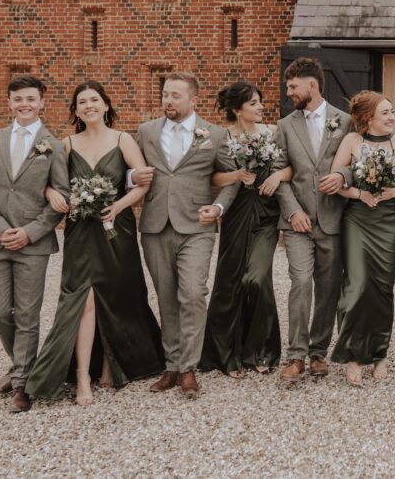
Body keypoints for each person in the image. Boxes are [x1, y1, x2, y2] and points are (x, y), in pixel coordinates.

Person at [27, 81, 164, 404]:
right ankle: (81, 376)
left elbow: (143, 180)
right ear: (75, 111)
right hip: (81, 230)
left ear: (105, 105)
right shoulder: (66, 145)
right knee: (83, 298)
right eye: (81, 102)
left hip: (117, 227)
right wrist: (52, 194)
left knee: (113, 295)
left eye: (94, 99)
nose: (88, 105)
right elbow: (48, 182)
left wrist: (118, 205)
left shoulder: (123, 139)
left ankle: (109, 365)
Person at [131, 72, 241, 398]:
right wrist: (131, 175)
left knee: (192, 293)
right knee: (167, 297)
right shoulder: (146, 131)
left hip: (198, 225)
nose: (168, 100)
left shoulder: (215, 134)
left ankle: (189, 368)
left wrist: (218, 209)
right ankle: (172, 365)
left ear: (194, 100)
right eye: (166, 94)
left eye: (176, 95)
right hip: (155, 225)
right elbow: (131, 169)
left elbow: (231, 179)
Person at [0, 75, 69, 413]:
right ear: (9, 102)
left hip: (33, 244)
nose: (24, 105)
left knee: (28, 315)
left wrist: (30, 231)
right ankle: (21, 364)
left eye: (30, 99)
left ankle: (23, 384)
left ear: (42, 102)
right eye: (18, 99)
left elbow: (61, 197)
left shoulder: (53, 145)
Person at [329, 91, 395, 386]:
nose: (392, 117)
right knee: (356, 285)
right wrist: (360, 192)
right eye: (385, 112)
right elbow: (336, 182)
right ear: (368, 117)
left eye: (392, 111)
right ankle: (353, 355)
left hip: (388, 220)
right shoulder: (351, 142)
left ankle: (379, 353)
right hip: (358, 218)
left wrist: (392, 192)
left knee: (382, 288)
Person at [201, 81, 289, 378]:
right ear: (237, 110)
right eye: (253, 103)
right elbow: (213, 178)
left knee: (256, 278)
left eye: (260, 101)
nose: (261, 106)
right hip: (236, 212)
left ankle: (262, 350)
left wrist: (276, 178)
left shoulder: (274, 132)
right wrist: (236, 175)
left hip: (265, 212)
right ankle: (227, 355)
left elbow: (291, 166)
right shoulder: (222, 138)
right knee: (230, 281)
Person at [273, 58, 352, 382]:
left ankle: (318, 351)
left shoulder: (344, 121)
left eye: (293, 86)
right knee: (301, 282)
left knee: (329, 288)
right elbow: (279, 174)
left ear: (312, 86)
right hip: (297, 222)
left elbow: (355, 162)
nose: (288, 91)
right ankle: (295, 356)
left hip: (333, 218)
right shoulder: (285, 125)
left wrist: (343, 177)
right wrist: (293, 211)